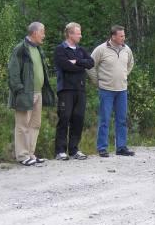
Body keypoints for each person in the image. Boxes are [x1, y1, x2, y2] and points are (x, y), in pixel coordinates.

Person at [8, 22, 55, 166]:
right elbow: (13, 72)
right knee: (22, 125)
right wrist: (20, 89)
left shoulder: (38, 49)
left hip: (38, 93)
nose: (44, 35)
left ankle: (30, 154)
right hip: (25, 93)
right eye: (42, 32)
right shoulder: (21, 49)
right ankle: (22, 156)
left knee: (35, 124)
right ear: (34, 33)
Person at [87, 25, 135, 157]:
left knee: (122, 119)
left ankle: (121, 147)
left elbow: (131, 63)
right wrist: (98, 81)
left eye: (124, 35)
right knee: (105, 119)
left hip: (122, 90)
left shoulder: (127, 49)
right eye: (121, 36)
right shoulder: (101, 50)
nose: (123, 38)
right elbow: (89, 65)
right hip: (106, 90)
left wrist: (125, 75)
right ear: (113, 36)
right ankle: (102, 147)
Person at [54, 22, 94, 160]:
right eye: (78, 33)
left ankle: (74, 149)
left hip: (80, 89)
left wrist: (76, 62)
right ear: (70, 34)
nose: (80, 36)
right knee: (64, 118)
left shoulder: (80, 50)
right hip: (66, 89)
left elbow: (91, 63)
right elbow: (65, 66)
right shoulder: (60, 49)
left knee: (78, 119)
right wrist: (80, 65)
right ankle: (60, 150)